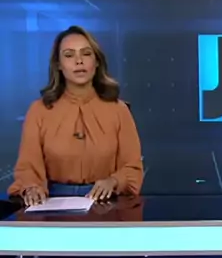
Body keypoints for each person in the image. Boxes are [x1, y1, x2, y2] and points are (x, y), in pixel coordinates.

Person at [8, 25, 143, 205]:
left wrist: (114, 181)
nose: (79, 61)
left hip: (106, 203)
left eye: (86, 54)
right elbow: (27, 167)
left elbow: (132, 168)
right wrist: (31, 187)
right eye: (69, 55)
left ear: (96, 61)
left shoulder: (119, 110)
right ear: (58, 65)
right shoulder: (39, 111)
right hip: (51, 203)